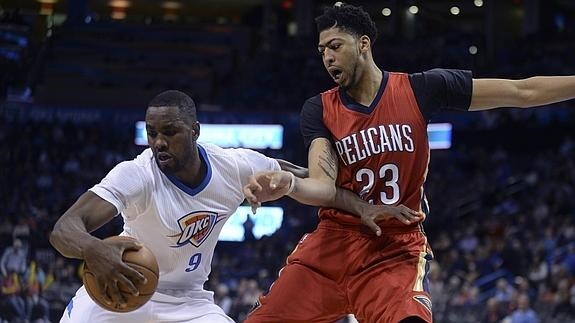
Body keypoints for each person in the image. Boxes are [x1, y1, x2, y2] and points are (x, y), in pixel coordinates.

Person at [242, 3, 575, 322]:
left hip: (395, 249)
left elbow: (522, 91)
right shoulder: (319, 109)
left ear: (363, 44)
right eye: (322, 51)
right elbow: (323, 184)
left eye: (335, 46)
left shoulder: (420, 89)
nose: (327, 57)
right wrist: (290, 183)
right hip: (333, 244)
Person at [49, 90, 312, 323]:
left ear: (195, 131)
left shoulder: (232, 166)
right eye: (152, 133)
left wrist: (345, 175)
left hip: (188, 300)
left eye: (170, 132)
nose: (159, 142)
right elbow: (64, 230)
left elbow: (305, 176)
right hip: (122, 287)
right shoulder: (136, 174)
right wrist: (93, 249)